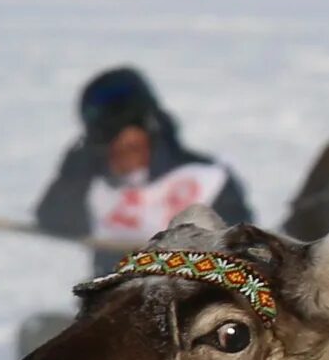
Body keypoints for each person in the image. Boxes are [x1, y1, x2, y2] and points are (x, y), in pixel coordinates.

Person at [34, 67, 253, 278]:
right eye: (116, 147)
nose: (127, 155)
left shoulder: (205, 179)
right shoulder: (93, 185)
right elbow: (53, 219)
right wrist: (77, 168)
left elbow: (240, 244)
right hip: (115, 301)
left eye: (134, 146)